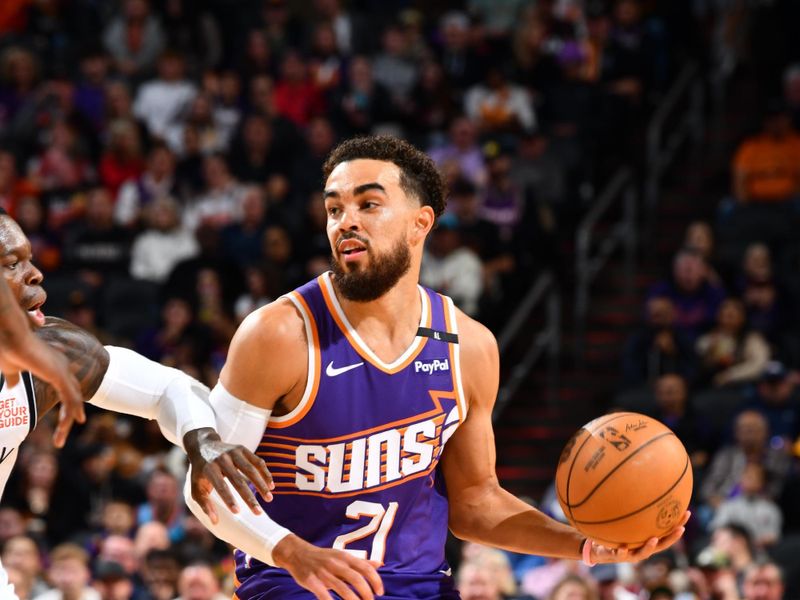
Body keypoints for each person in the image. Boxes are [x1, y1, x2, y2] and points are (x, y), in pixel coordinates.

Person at [183, 136, 687, 599]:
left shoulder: (468, 346)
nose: (346, 221)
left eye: (369, 203)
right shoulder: (277, 335)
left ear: (421, 222)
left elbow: (475, 504)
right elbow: (207, 490)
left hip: (420, 587)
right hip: (294, 582)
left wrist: (586, 546)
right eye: (334, 208)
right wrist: (291, 553)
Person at [0, 210, 273, 597]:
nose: (35, 274)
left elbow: (166, 388)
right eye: (12, 264)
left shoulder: (53, 349)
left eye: (29, 259)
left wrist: (201, 440)